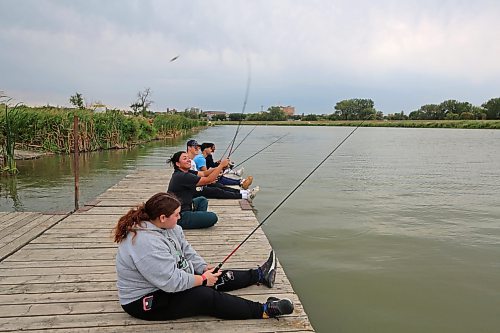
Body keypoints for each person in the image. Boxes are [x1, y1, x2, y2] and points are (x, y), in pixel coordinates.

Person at [113, 192, 294, 320]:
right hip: (144, 301)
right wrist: (202, 280)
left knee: (216, 275)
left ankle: (260, 275)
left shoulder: (171, 228)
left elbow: (186, 250)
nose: (180, 217)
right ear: (162, 217)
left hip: (166, 283)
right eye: (176, 215)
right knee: (204, 295)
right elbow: (171, 282)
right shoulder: (145, 243)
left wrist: (202, 269)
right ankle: (263, 310)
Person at [166, 151, 230, 229]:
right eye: (185, 158)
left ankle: (197, 219)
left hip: (187, 206)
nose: (189, 160)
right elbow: (208, 180)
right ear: (178, 164)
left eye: (188, 158)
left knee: (202, 200)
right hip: (179, 215)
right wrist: (221, 165)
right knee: (213, 217)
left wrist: (219, 168)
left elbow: (204, 173)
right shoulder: (182, 176)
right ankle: (194, 220)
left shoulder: (186, 172)